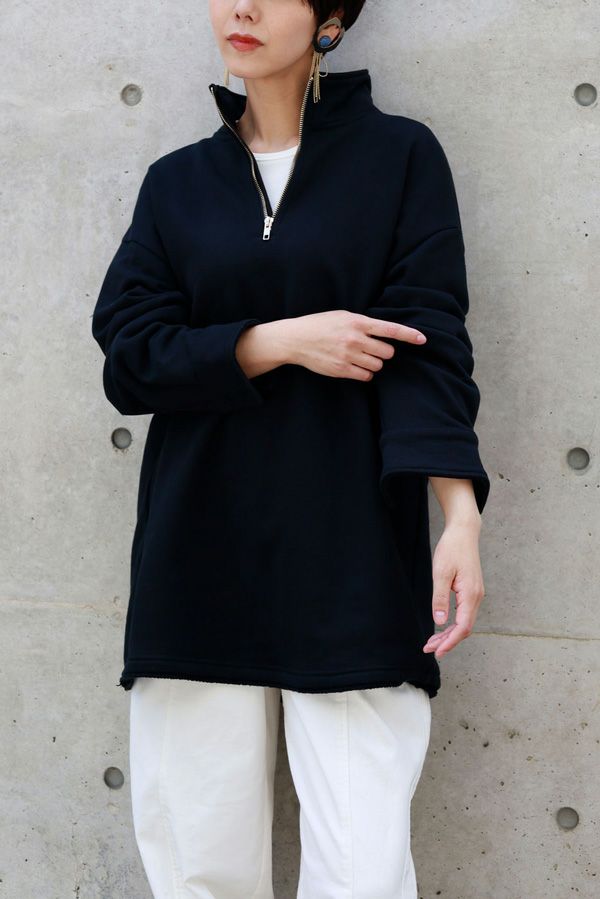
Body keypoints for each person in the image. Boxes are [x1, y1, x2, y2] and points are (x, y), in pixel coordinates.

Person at [91, 1, 490, 896]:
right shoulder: (177, 183)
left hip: (352, 555)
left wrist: (459, 516)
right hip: (198, 559)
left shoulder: (400, 159)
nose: (241, 6)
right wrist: (276, 341)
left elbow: (431, 347)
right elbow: (129, 356)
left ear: (331, 19)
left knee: (362, 870)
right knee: (198, 870)